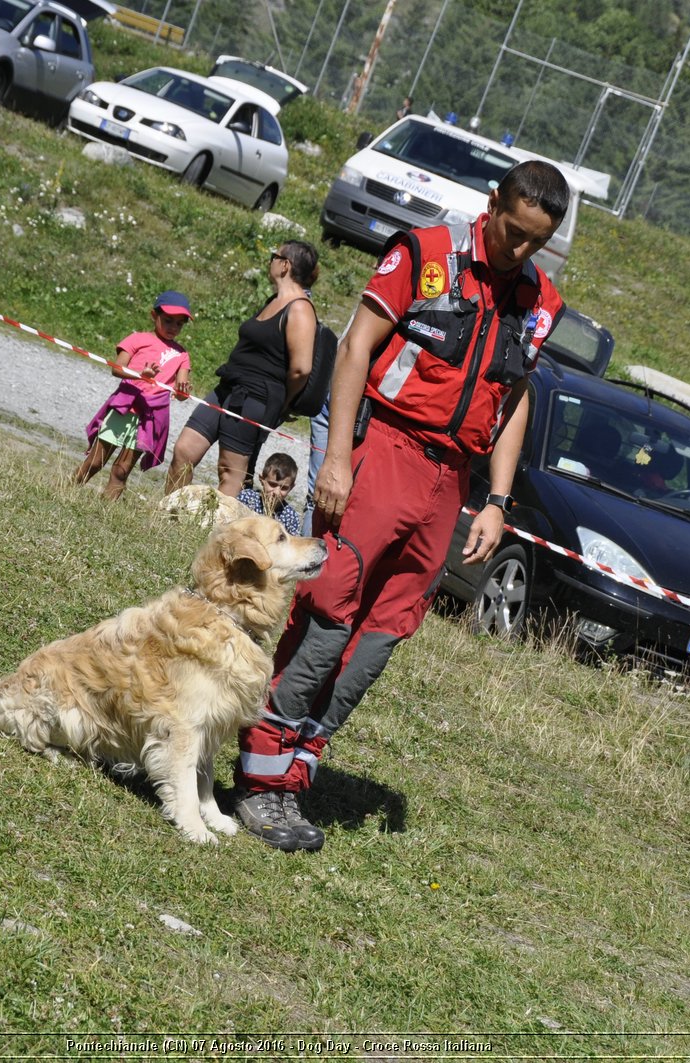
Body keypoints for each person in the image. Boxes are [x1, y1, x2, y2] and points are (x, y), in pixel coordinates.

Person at [231, 160, 569, 852]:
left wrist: (498, 501)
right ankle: (256, 777)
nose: (522, 250)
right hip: (384, 451)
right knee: (328, 615)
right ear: (492, 202)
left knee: (380, 639)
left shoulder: (539, 301)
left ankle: (294, 778)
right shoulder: (426, 254)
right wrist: (336, 459)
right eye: (515, 232)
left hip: (451, 482)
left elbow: (515, 397)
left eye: (539, 241)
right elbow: (355, 348)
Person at [163, 241, 317, 497]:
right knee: (184, 450)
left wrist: (284, 403)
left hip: (255, 398)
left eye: (274, 256)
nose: (271, 261)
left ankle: (217, 532)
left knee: (230, 471)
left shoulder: (300, 308)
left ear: (285, 265)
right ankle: (169, 516)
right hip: (228, 388)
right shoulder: (274, 300)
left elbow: (301, 369)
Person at [73, 290, 193, 500]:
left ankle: (104, 511)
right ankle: (68, 490)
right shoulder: (138, 339)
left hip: (149, 418)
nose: (173, 328)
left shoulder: (182, 355)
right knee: (95, 462)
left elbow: (181, 393)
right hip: (124, 408)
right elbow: (116, 368)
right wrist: (140, 375)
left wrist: (183, 392)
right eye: (168, 321)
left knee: (122, 470)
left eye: (179, 324)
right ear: (153, 315)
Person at [238, 452, 301, 534]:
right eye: (272, 484)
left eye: (284, 488)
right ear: (262, 480)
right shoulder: (247, 499)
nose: (277, 492)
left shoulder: (290, 517)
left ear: (291, 487)